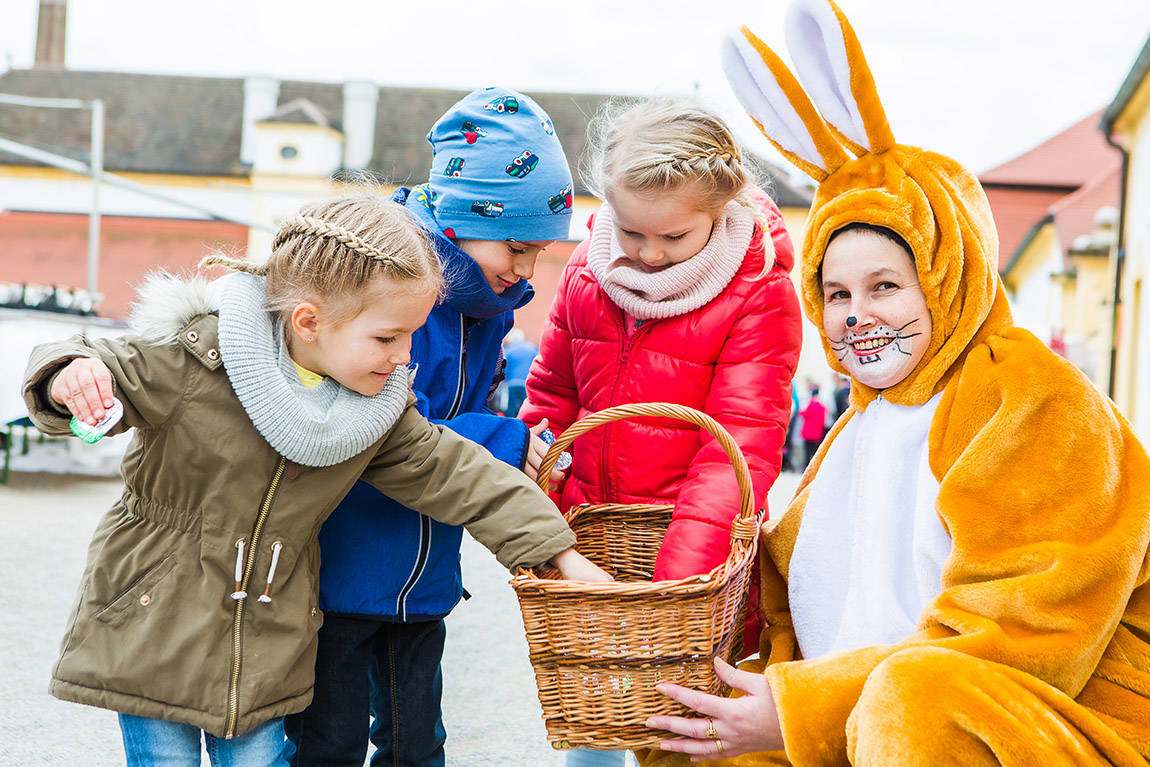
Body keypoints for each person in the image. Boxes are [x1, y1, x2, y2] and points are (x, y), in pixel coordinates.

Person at [640, 1, 1150, 765]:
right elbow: (798, 602)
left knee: (914, 698)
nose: (857, 315)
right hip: (867, 720)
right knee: (683, 735)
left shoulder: (1032, 395)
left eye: (885, 285)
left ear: (945, 278)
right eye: (836, 293)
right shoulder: (862, 422)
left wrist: (799, 712)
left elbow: (1024, 635)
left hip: (1064, 720)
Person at [22, 193, 609, 767]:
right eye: (387, 338)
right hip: (155, 620)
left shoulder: (375, 410)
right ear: (309, 321)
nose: (404, 356)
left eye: (411, 335)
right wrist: (68, 375)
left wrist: (557, 552)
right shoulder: (195, 358)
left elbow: (459, 473)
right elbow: (94, 359)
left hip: (264, 634)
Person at [284, 87, 574, 767]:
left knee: (418, 744)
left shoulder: (490, 307)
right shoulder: (390, 291)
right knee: (329, 743)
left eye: (538, 253)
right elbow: (385, 428)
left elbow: (474, 407)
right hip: (342, 573)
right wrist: (503, 442)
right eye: (518, 247)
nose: (527, 270)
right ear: (466, 215)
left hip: (425, 576)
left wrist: (512, 439)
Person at [519, 96, 803, 767]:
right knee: (593, 718)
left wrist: (672, 601)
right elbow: (552, 395)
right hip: (595, 547)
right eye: (631, 230)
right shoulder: (588, 269)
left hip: (689, 569)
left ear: (721, 207)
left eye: (674, 237)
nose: (647, 254)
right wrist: (547, 519)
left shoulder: (757, 290)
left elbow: (736, 448)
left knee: (680, 731)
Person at [499, 328, 539, 417]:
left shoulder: (509, 349)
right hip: (527, 384)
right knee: (527, 408)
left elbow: (504, 366)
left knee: (512, 409)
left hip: (512, 383)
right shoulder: (533, 349)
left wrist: (504, 381)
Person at [798, 385, 826, 469]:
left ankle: (806, 466)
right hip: (817, 433)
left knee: (807, 451)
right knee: (814, 451)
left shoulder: (810, 403)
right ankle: (813, 467)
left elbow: (803, 413)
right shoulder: (822, 406)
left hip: (808, 432)